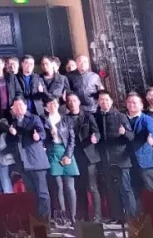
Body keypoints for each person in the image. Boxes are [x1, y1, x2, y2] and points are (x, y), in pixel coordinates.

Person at [94, 90, 136, 222]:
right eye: (101, 100)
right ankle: (117, 217)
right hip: (105, 159)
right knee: (111, 190)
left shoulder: (120, 116)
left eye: (106, 99)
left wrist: (124, 133)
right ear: (98, 102)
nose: (104, 102)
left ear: (111, 101)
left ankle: (132, 217)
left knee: (125, 189)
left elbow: (131, 136)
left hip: (121, 159)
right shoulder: (96, 117)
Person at [8, 96, 51, 218]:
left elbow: (42, 133)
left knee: (42, 193)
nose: (18, 108)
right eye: (15, 106)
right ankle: (35, 219)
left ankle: (45, 219)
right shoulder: (13, 123)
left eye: (20, 105)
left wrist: (38, 136)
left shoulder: (33, 118)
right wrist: (12, 134)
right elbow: (12, 141)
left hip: (36, 161)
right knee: (31, 193)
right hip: (23, 163)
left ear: (26, 106)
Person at [65, 92, 101, 221]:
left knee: (92, 186)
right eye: (69, 101)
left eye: (74, 100)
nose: (72, 103)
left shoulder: (87, 116)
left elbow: (96, 132)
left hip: (89, 155)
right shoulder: (65, 119)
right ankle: (84, 215)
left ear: (79, 102)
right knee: (79, 187)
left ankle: (97, 216)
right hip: (75, 156)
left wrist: (95, 137)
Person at [43, 96, 78, 224]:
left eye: (54, 103)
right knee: (58, 186)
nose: (52, 106)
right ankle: (62, 216)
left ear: (58, 105)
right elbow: (42, 139)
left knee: (70, 186)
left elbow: (72, 139)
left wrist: (68, 155)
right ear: (46, 107)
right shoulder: (44, 121)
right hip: (53, 151)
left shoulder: (66, 119)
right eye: (49, 104)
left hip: (66, 151)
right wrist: (51, 135)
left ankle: (73, 216)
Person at [125, 92, 153, 192]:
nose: (131, 105)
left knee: (151, 189)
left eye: (134, 102)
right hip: (128, 160)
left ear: (141, 105)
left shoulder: (147, 119)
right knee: (133, 190)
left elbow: (152, 131)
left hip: (145, 160)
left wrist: (152, 138)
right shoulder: (122, 118)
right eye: (129, 102)